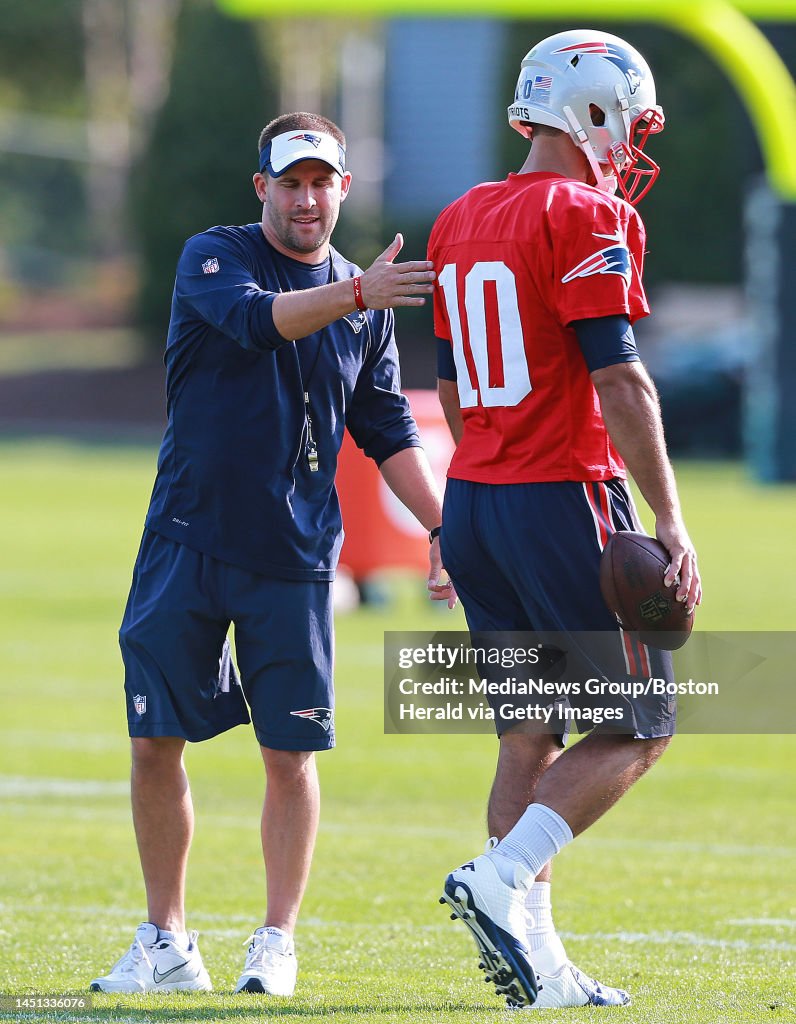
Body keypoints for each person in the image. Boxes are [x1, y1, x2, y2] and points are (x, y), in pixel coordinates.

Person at [90, 111, 455, 997]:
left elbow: (385, 425)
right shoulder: (213, 257)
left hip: (294, 560)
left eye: (320, 181)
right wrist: (358, 296)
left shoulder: (356, 299)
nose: (305, 198)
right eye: (289, 182)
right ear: (262, 188)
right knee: (154, 741)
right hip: (187, 538)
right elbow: (261, 323)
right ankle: (166, 939)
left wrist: (444, 528)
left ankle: (276, 940)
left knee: (291, 754)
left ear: (343, 189)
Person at [428, 30, 702, 1009]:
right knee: (642, 724)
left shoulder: (459, 215)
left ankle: (537, 965)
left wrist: (473, 488)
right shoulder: (584, 214)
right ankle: (501, 878)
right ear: (591, 109)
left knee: (527, 735)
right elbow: (618, 377)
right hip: (561, 495)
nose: (630, 140)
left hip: (475, 498)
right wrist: (669, 518)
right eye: (626, 117)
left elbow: (455, 386)